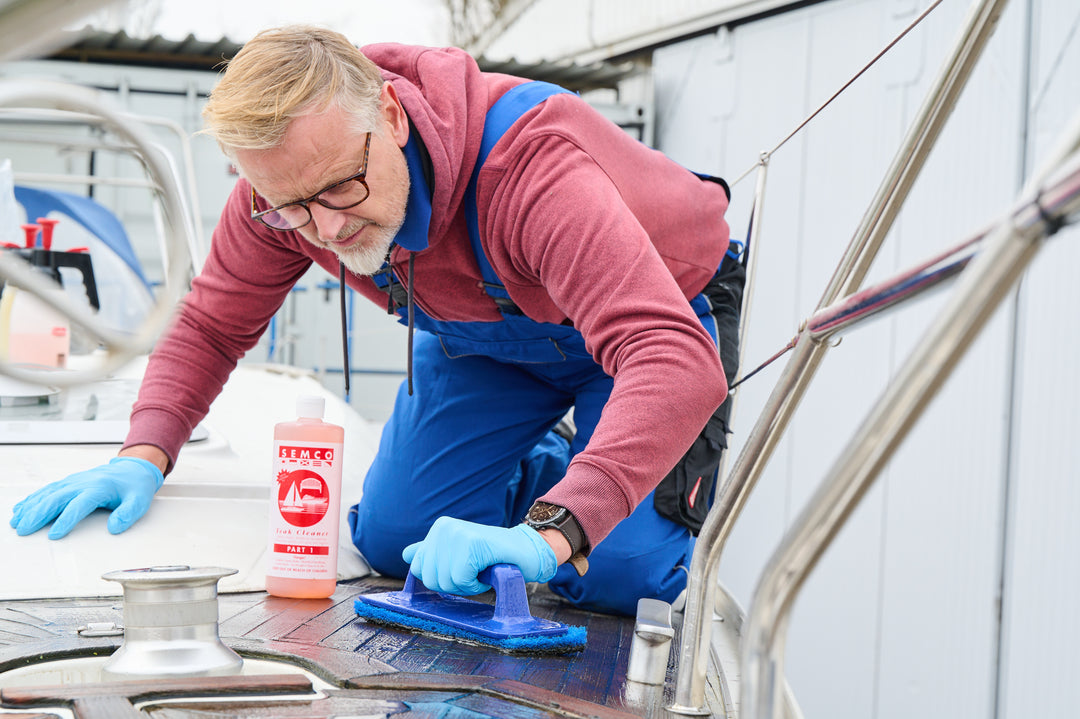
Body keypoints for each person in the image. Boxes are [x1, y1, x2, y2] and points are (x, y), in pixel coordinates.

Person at [9, 25, 742, 616]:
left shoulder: (528, 168)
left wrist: (557, 531)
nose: (324, 229)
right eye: (293, 208)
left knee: (620, 572)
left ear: (391, 116)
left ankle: (577, 480)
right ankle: (544, 466)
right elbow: (211, 324)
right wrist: (142, 451)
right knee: (395, 538)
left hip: (656, 321)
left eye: (341, 188)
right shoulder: (283, 196)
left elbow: (669, 356)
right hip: (486, 338)